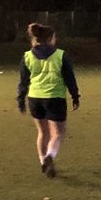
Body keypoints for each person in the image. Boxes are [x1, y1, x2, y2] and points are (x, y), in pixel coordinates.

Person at [16, 22, 80, 179]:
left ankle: (42, 162)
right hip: (55, 97)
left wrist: (20, 99)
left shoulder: (27, 56)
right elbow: (69, 78)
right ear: (50, 38)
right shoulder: (60, 55)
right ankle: (50, 155)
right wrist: (75, 95)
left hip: (35, 98)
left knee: (42, 132)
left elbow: (23, 81)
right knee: (57, 133)